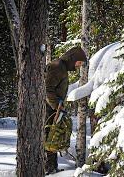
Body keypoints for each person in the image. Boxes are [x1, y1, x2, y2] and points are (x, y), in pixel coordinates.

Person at [45, 46, 86, 174]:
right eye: (79, 62)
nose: (79, 66)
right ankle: (48, 168)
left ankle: (52, 167)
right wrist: (56, 106)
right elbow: (47, 89)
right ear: (72, 58)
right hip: (48, 109)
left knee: (53, 137)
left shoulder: (61, 67)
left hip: (54, 108)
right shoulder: (57, 67)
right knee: (49, 138)